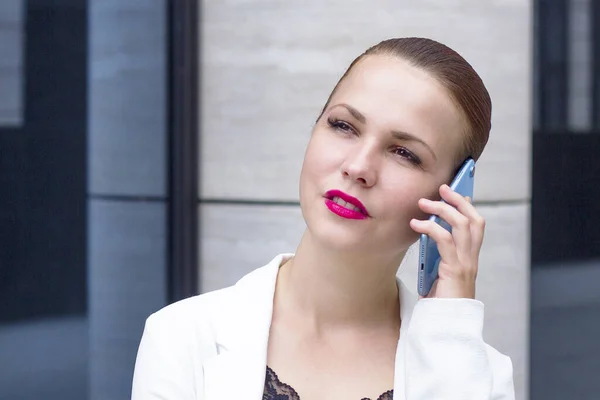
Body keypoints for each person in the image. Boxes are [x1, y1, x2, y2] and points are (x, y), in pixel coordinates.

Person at [131, 37, 515, 400]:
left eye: (403, 153)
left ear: (450, 196)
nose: (358, 167)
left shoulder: (478, 375)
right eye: (343, 126)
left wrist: (449, 329)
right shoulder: (181, 337)